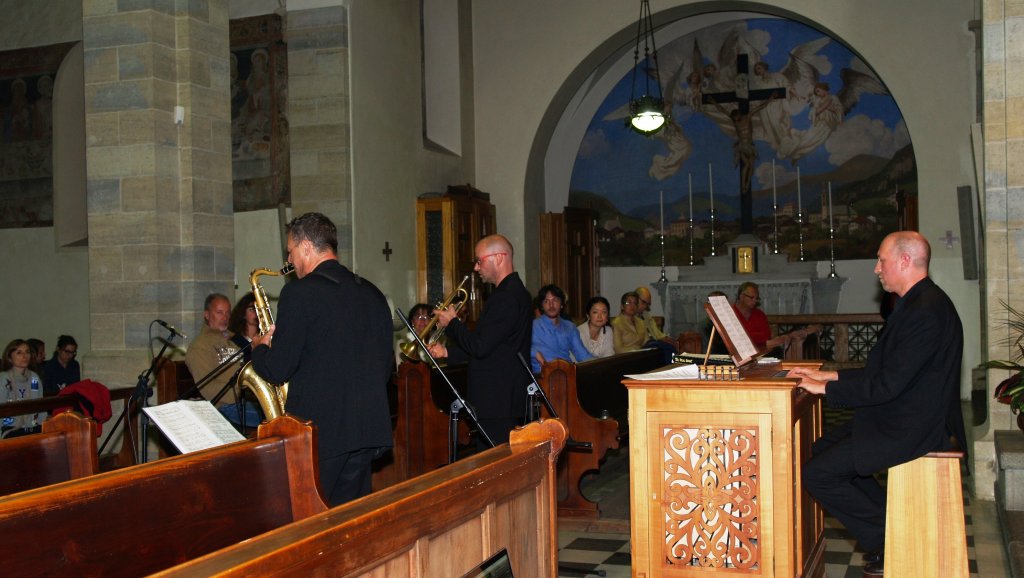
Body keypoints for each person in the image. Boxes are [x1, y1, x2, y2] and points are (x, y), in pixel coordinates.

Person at [789, 231, 966, 576]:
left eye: (881, 260)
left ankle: (886, 538)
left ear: (903, 261)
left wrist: (823, 391)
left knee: (818, 474)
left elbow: (887, 385)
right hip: (902, 413)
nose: (876, 269)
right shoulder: (918, 302)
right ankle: (890, 525)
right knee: (818, 450)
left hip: (913, 425)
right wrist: (830, 377)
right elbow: (885, 372)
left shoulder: (925, 311)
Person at [250, 212, 393, 506]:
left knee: (313, 519)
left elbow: (278, 369)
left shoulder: (299, 293)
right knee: (349, 521)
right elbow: (385, 367)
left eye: (290, 252)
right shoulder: (373, 293)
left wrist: (259, 348)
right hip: (367, 429)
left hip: (322, 434)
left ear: (305, 247)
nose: (289, 261)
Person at [427, 234, 532, 446]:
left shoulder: (507, 296)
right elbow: (493, 345)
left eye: (479, 260)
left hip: (497, 398)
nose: (476, 268)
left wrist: (453, 324)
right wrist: (448, 353)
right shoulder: (511, 292)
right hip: (500, 396)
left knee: (494, 466)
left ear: (500, 258)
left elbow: (481, 346)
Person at [185, 293, 244, 413]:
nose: (225, 317)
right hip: (226, 407)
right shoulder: (199, 346)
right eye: (219, 312)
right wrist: (244, 393)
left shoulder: (234, 339)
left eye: (228, 312)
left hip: (245, 401)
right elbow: (209, 388)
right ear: (206, 315)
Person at [530, 284, 593, 372]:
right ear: (542, 306)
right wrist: (534, 353)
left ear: (562, 304)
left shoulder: (570, 327)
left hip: (566, 374)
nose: (551, 305)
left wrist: (601, 364)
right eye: (546, 301)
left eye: (555, 300)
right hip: (542, 376)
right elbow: (519, 348)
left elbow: (582, 355)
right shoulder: (532, 326)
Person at [1, 339, 44, 437]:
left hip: (33, 427)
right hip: (11, 429)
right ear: (9, 357)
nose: (24, 356)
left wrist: (43, 425)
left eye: (27, 352)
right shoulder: (4, 378)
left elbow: (40, 405)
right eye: (19, 353)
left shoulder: (34, 378)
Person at [635, 286, 678, 363]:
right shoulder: (630, 316)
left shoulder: (646, 315)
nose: (645, 307)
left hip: (653, 346)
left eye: (647, 304)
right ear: (636, 299)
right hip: (642, 347)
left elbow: (657, 334)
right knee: (667, 349)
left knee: (669, 346)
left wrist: (667, 339)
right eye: (644, 302)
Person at [733, 282, 772, 349]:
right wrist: (755, 336)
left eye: (756, 298)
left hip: (759, 351)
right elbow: (733, 339)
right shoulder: (730, 313)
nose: (755, 301)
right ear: (741, 296)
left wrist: (745, 336)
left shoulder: (760, 314)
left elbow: (766, 336)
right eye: (751, 297)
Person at [227, 292, 259, 363]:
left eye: (258, 309)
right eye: (251, 309)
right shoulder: (235, 341)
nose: (256, 312)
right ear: (243, 314)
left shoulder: (267, 338)